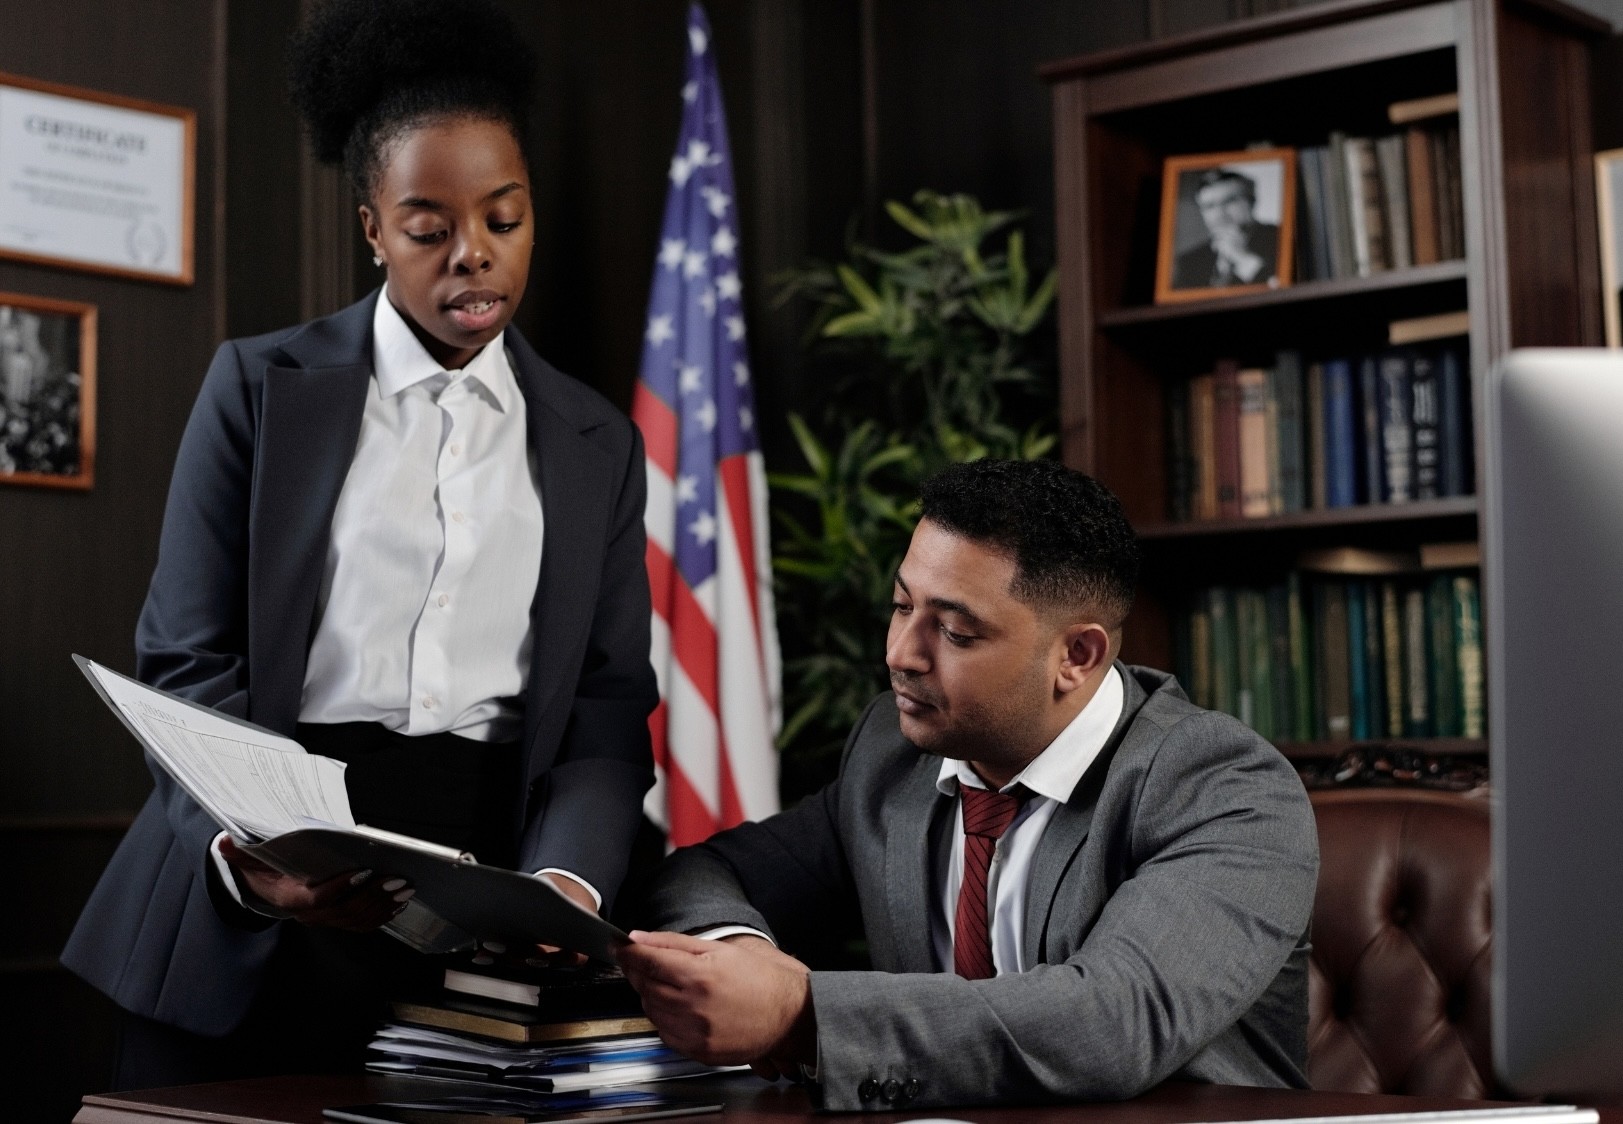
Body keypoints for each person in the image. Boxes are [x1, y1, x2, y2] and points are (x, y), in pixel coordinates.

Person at [62, 0, 656, 1090]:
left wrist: (566, 879)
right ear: (373, 228)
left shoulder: (596, 443)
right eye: (429, 227)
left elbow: (607, 712)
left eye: (506, 218)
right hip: (261, 870)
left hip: (486, 904)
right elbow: (187, 660)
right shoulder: (258, 389)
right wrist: (259, 849)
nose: (473, 254)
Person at [618, 459, 1317, 1111]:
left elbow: (1112, 1021)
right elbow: (706, 872)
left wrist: (799, 1014)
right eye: (900, 607)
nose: (900, 654)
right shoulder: (892, 754)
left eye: (953, 632)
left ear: (1076, 654)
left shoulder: (1226, 789)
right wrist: (739, 947)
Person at [1172, 167, 1281, 289]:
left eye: (1229, 201)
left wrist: (1243, 259)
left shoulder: (1282, 238)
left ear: (1252, 202)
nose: (1219, 213)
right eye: (1209, 206)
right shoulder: (1189, 262)